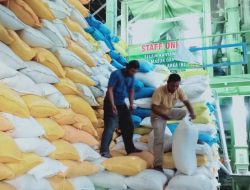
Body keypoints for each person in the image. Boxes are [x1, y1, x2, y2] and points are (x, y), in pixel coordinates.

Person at [151, 73, 196, 172]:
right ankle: (158, 165)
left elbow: (187, 102)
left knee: (186, 114)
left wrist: (192, 113)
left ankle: (191, 137)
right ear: (167, 83)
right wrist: (163, 115)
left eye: (177, 85)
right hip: (157, 116)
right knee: (159, 139)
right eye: (173, 85)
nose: (175, 88)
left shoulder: (178, 90)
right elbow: (153, 107)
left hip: (169, 112)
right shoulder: (159, 91)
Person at [100, 60, 142, 158]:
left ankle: (130, 149)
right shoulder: (116, 74)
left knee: (129, 125)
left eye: (135, 72)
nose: (133, 73)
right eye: (132, 71)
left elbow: (131, 91)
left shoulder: (131, 77)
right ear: (127, 67)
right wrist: (112, 104)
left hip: (121, 103)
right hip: (110, 102)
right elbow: (110, 89)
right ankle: (104, 151)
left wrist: (131, 104)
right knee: (110, 126)